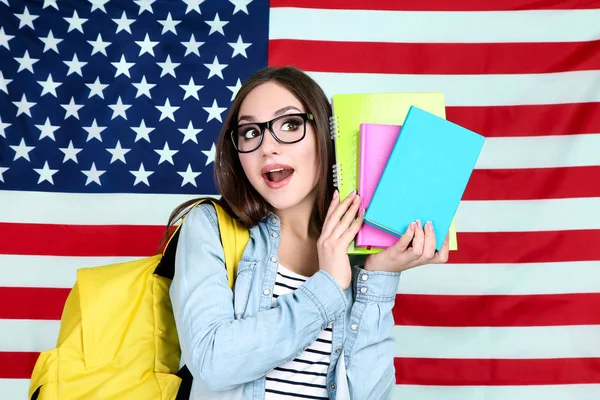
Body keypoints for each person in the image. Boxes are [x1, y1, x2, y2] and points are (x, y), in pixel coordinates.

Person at [168, 66, 450, 400]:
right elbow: (212, 362)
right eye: (250, 132)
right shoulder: (209, 226)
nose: (267, 147)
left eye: (290, 124)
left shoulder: (357, 248)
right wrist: (326, 288)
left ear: (326, 133)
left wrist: (380, 277)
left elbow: (369, 394)